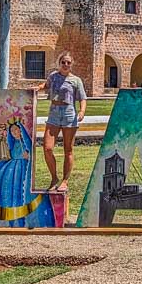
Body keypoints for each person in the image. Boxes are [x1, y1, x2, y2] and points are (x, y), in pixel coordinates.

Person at [42, 52, 87, 194]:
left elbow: (82, 97)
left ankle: (65, 181)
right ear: (59, 63)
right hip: (54, 113)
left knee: (68, 149)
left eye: (68, 62)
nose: (66, 65)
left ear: (71, 64)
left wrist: (82, 111)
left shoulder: (76, 80)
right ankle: (54, 178)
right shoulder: (53, 76)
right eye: (63, 62)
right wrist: (37, 88)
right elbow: (46, 85)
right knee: (48, 148)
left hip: (69, 114)